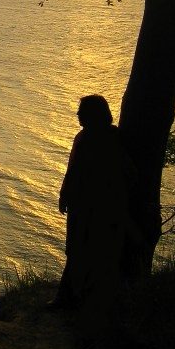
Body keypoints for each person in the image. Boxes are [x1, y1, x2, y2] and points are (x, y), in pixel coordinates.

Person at [51, 95, 136, 317]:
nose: (77, 115)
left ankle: (72, 298)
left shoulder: (106, 139)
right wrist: (64, 195)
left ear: (92, 115)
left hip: (94, 208)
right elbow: (73, 171)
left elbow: (121, 171)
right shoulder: (91, 137)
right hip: (83, 205)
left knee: (81, 251)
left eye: (81, 111)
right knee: (78, 250)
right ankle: (72, 297)